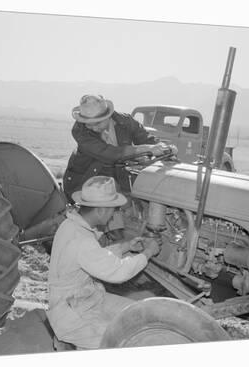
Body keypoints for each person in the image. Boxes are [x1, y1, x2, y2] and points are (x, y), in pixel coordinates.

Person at [46, 176, 161, 349]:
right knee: (126, 340)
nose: (114, 215)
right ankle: (72, 344)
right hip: (71, 313)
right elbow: (118, 272)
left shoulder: (71, 226)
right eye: (113, 210)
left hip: (83, 298)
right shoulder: (81, 240)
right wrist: (148, 253)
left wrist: (125, 247)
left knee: (138, 314)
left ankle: (71, 345)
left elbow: (94, 258)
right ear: (101, 210)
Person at [63, 94, 178, 201]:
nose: (93, 128)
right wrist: (146, 149)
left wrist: (164, 150)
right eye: (88, 124)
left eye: (97, 123)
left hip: (117, 180)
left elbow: (147, 139)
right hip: (86, 183)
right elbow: (109, 153)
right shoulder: (80, 131)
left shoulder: (126, 121)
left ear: (108, 116)